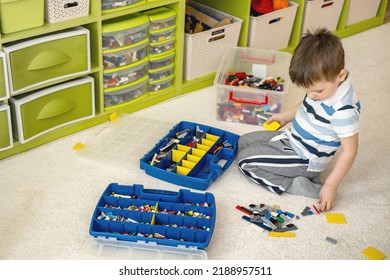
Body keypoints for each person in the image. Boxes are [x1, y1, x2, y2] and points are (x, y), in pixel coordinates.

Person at [237, 28, 361, 211]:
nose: (311, 95)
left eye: (317, 91)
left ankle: (294, 184)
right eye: (306, 90)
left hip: (305, 158)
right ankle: (294, 173)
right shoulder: (324, 89)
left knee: (244, 161)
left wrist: (330, 186)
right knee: (242, 142)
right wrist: (284, 117)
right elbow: (305, 106)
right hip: (291, 137)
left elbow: (350, 152)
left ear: (340, 76)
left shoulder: (343, 111)